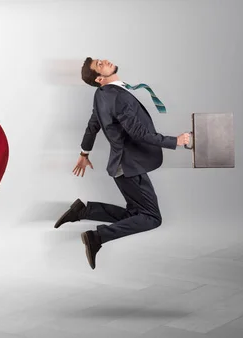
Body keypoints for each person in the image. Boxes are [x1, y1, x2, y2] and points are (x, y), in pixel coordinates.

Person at [54, 57, 190, 270]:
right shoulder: (116, 97)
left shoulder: (101, 95)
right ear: (99, 78)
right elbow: (139, 133)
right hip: (129, 166)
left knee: (134, 215)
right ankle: (96, 237)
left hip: (122, 165)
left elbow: (93, 126)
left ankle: (84, 211)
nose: (105, 61)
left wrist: (84, 152)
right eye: (100, 65)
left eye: (100, 60)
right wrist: (176, 141)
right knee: (152, 218)